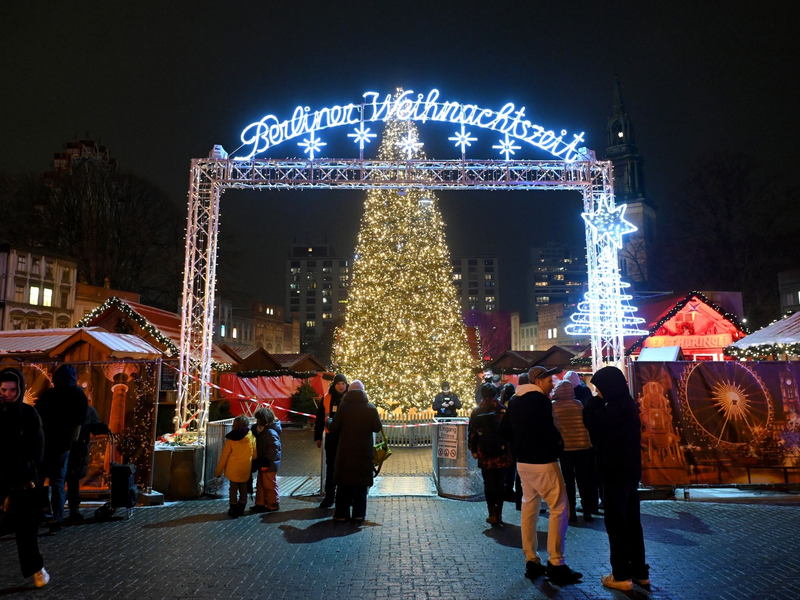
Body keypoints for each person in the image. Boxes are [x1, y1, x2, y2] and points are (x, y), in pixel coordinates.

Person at [499, 365, 582, 585]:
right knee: (559, 508)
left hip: (523, 464)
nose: (552, 384)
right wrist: (558, 442)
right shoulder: (541, 401)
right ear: (537, 381)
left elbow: (503, 431)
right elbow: (548, 431)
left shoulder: (515, 401)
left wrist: (518, 445)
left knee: (529, 510)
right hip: (544, 462)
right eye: (548, 380)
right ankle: (556, 562)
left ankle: (532, 560)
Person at [584, 366, 648, 591]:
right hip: (630, 473)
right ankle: (640, 571)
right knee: (632, 522)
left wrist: (594, 401)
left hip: (613, 473)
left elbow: (591, 422)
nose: (597, 391)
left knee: (617, 524)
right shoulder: (628, 404)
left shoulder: (612, 409)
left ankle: (621, 575)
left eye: (598, 387)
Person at [0, 368, 49, 587]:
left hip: (21, 480)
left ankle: (37, 570)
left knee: (25, 531)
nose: (7, 394)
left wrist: (30, 472)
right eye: (3, 389)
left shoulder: (28, 414)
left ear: (19, 389)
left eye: (12, 390)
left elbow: (38, 447)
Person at [34, 365, 88, 530]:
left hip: (44, 444)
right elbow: (81, 420)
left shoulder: (49, 395)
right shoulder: (79, 395)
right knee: (58, 482)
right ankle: (57, 518)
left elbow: (37, 418)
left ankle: (37, 516)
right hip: (64, 444)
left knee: (39, 481)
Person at [329, 380, 382, 522]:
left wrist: (328, 421)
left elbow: (334, 427)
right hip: (364, 453)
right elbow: (377, 427)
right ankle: (359, 514)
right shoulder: (370, 408)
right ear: (364, 392)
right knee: (361, 486)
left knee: (344, 484)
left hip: (345, 452)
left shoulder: (343, 407)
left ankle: (341, 514)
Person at [551, 380, 598, 523]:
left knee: (568, 481)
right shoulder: (578, 404)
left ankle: (571, 512)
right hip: (583, 446)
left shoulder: (553, 406)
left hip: (566, 448)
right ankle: (587, 511)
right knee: (583, 479)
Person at [469, 383, 513, 527]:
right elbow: (509, 432)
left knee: (488, 483)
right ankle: (499, 513)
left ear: (481, 395)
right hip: (502, 455)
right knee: (500, 483)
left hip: (485, 454)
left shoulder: (477, 411)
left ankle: (492, 513)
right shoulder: (503, 410)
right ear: (495, 394)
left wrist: (473, 450)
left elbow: (472, 434)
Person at [66, 404, 109, 521]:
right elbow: (94, 426)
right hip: (77, 450)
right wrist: (103, 427)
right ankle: (73, 511)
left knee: (58, 481)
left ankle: (54, 512)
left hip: (61, 449)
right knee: (72, 481)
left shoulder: (54, 404)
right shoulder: (86, 409)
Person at [314, 373, 348, 508]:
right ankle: (329, 496)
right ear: (335, 385)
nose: (341, 386)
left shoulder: (350, 398)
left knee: (345, 468)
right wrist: (317, 436)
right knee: (331, 467)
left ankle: (344, 497)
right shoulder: (326, 398)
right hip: (331, 437)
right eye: (339, 383)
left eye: (343, 384)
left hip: (345, 438)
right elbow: (319, 418)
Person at [215, 415, 256, 518]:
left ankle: (233, 508)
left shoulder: (231, 438)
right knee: (243, 489)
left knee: (233, 489)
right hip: (245, 468)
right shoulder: (251, 437)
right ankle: (241, 508)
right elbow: (255, 454)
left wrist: (218, 472)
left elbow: (224, 456)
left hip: (233, 468)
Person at [250, 407, 281, 513]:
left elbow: (274, 448)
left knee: (269, 484)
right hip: (264, 462)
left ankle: (273, 504)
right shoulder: (265, 430)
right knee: (261, 483)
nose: (257, 422)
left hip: (269, 464)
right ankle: (260, 503)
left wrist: (266, 461)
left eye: (258, 420)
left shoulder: (270, 432)